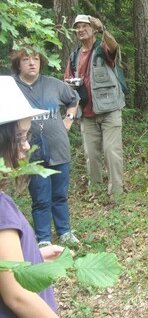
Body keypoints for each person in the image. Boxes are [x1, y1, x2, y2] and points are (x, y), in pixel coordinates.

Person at [0, 75, 64, 317]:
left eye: (27, 136)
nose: (26, 146)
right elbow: (17, 295)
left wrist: (33, 256)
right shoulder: (1, 210)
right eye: (19, 138)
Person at [11, 48, 80, 248]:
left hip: (58, 147)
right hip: (30, 149)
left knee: (59, 194)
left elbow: (74, 99)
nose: (32, 63)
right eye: (26, 59)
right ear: (18, 64)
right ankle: (43, 239)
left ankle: (64, 232)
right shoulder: (11, 87)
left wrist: (69, 119)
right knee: (40, 197)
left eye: (36, 59)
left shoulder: (53, 84)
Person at [64, 15, 125, 201]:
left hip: (109, 110)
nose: (81, 30)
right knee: (91, 155)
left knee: (111, 151)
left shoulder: (102, 48)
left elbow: (114, 47)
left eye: (84, 26)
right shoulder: (74, 56)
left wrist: (103, 29)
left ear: (92, 29)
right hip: (86, 114)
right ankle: (96, 193)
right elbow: (66, 82)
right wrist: (70, 86)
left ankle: (117, 193)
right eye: (77, 27)